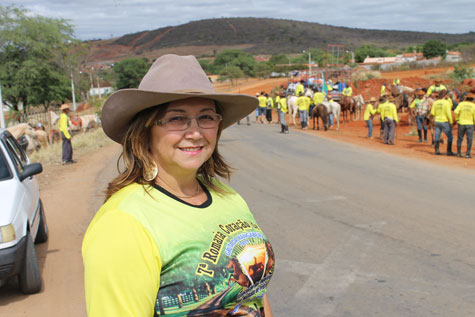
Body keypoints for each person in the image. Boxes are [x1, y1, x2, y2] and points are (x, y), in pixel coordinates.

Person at [82, 54, 275, 316]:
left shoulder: (227, 197)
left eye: (206, 117)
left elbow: (255, 295)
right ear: (145, 130)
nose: (195, 132)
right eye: (176, 119)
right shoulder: (123, 221)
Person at [430, 90, 454, 155]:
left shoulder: (435, 102)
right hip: (444, 121)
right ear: (445, 95)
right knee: (450, 136)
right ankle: (449, 151)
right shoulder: (446, 103)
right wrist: (451, 122)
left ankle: (437, 151)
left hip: (437, 121)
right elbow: (448, 113)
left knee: (437, 136)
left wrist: (431, 120)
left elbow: (432, 113)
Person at [454, 92, 475, 158]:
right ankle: (467, 154)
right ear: (472, 99)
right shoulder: (473, 106)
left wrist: (457, 119)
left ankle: (458, 153)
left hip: (461, 123)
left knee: (460, 138)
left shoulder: (461, 104)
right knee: (469, 139)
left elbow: (455, 112)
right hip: (470, 124)